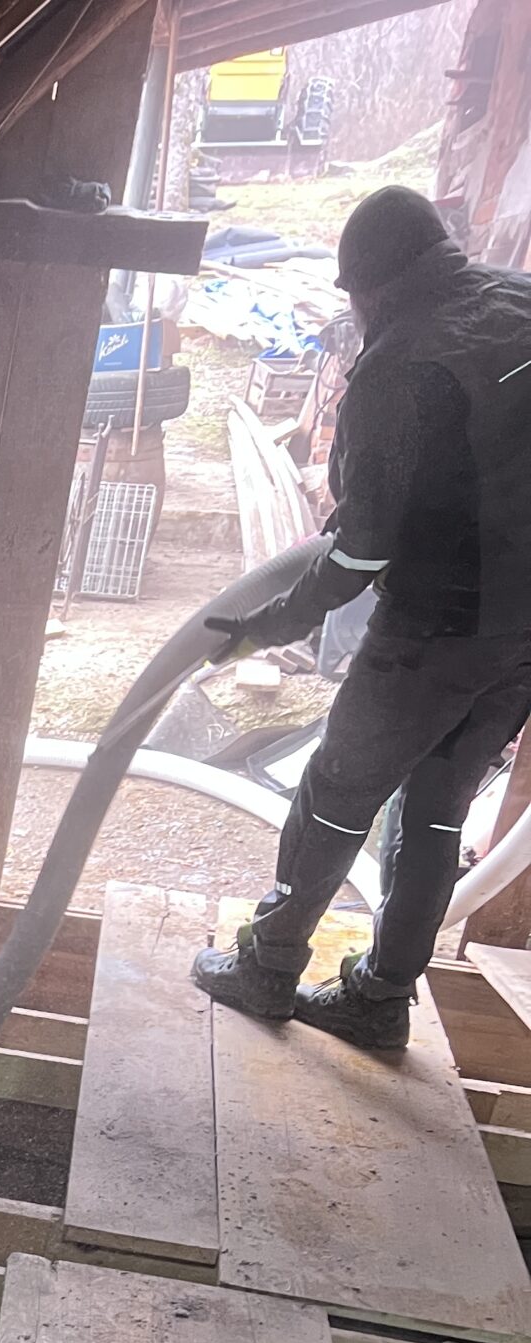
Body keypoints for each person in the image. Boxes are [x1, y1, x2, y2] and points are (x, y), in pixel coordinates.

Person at [192, 185, 531, 1049]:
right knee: (439, 809)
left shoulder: (400, 365)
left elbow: (356, 558)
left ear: (367, 287)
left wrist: (265, 625)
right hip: (521, 638)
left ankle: (269, 966)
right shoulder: (520, 299)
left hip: (433, 635)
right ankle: (380, 997)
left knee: (338, 796)